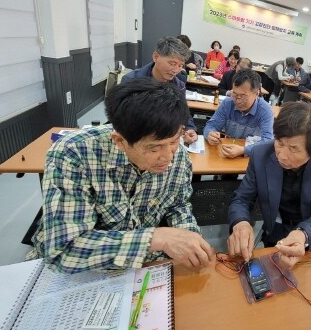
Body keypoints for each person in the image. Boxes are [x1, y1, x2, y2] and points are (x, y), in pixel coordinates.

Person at [26, 79, 214, 273]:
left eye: (174, 141)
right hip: (83, 274)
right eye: (154, 147)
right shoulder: (74, 153)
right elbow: (63, 252)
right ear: (120, 141)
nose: (168, 156)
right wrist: (155, 238)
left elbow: (178, 205)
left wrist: (190, 237)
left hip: (141, 268)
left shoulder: (179, 156)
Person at [227, 101, 311, 268]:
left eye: (294, 149)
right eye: (279, 143)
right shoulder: (260, 154)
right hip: (280, 227)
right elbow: (242, 199)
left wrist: (304, 234)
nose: (282, 156)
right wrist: (241, 223)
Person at [121, 36, 198, 145]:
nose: (176, 70)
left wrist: (190, 128)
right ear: (156, 57)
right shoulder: (131, 81)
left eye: (180, 65)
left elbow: (183, 111)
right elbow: (125, 119)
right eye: (172, 63)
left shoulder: (179, 85)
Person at [204, 69, 274, 159]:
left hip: (250, 157)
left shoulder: (265, 110)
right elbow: (211, 125)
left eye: (243, 96)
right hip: (227, 152)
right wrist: (210, 134)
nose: (237, 100)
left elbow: (268, 141)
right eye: (235, 94)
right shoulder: (227, 103)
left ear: (256, 93)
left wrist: (243, 150)